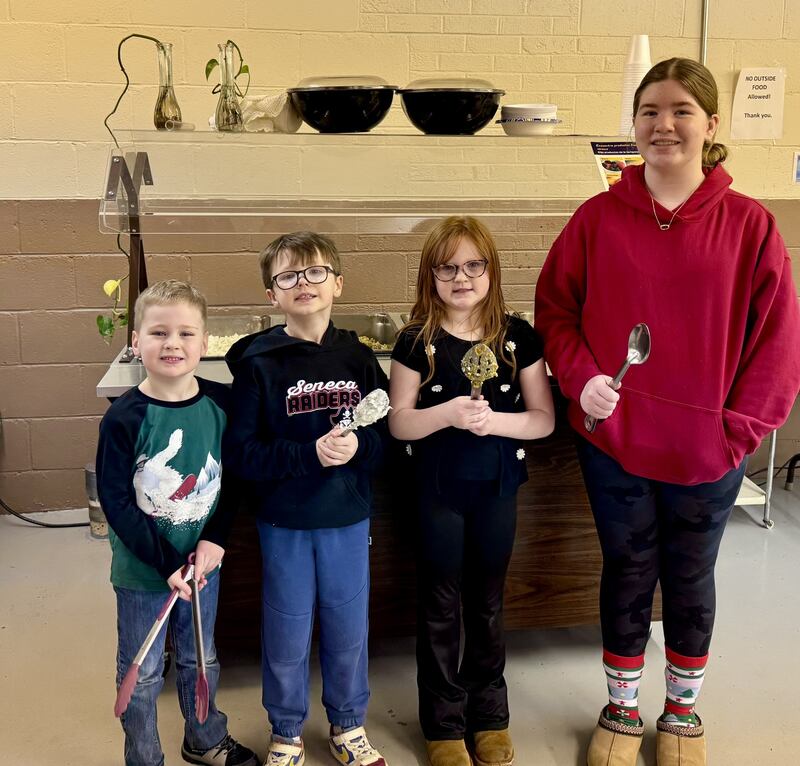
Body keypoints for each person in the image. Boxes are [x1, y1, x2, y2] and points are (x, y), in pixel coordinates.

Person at [534, 58, 800, 766]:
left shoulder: (751, 228)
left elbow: (777, 346)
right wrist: (582, 376)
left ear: (711, 125)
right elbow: (556, 312)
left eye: (681, 110)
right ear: (634, 123)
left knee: (689, 577)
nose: (664, 124)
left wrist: (734, 433)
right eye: (650, 110)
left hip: (707, 450)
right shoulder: (596, 220)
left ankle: (681, 713)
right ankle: (621, 709)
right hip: (614, 443)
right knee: (626, 569)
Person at [389, 216, 555, 766]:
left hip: (496, 488)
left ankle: (490, 716)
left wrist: (492, 424)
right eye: (447, 268)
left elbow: (542, 420)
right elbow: (400, 424)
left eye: (473, 266)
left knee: (486, 602)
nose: (462, 277)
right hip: (437, 491)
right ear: (430, 276)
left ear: (491, 270)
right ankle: (442, 723)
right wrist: (449, 413)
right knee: (439, 603)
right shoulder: (416, 341)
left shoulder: (517, 337)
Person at [224, 232, 390, 766]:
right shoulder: (257, 363)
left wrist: (358, 446)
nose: (304, 284)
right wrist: (308, 456)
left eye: (316, 272)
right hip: (285, 520)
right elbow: (244, 454)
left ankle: (347, 725)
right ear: (271, 294)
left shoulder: (359, 358)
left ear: (337, 283)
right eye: (288, 276)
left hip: (346, 515)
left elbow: (384, 440)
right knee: (287, 627)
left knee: (347, 627)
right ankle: (287, 730)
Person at [96, 279, 258, 766]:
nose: (173, 344)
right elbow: (116, 500)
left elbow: (233, 480)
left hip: (201, 566)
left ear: (204, 344)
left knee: (200, 657)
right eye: (159, 332)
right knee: (143, 673)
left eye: (186, 334)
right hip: (146, 572)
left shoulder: (222, 404)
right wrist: (166, 562)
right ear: (135, 342)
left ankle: (204, 738)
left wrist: (214, 540)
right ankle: (144, 757)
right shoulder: (125, 418)